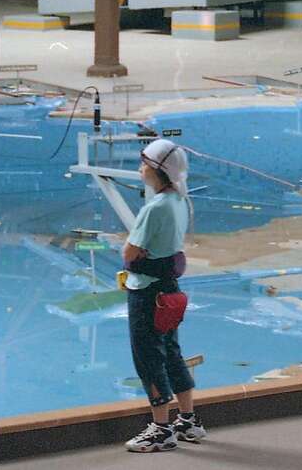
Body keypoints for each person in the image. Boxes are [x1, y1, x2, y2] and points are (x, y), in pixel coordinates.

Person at [122, 138, 207, 452]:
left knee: (148, 358)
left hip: (147, 293)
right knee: (171, 353)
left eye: (144, 163)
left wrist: (132, 257)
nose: (140, 168)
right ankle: (188, 420)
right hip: (170, 291)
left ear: (158, 170)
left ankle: (161, 428)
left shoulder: (154, 208)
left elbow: (129, 254)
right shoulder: (180, 201)